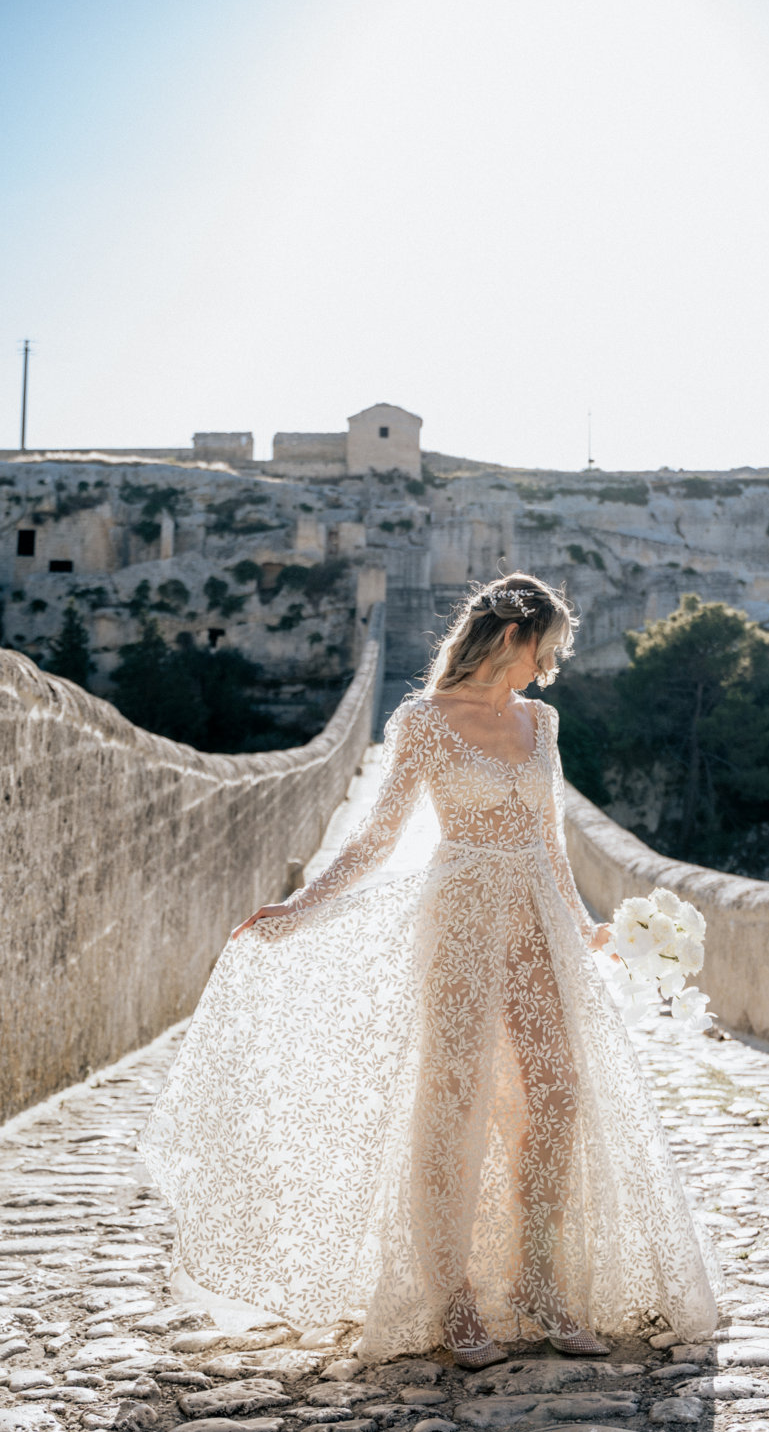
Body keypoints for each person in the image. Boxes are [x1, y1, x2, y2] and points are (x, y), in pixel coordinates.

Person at [137, 573, 722, 1369]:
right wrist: (301, 906)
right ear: (514, 638)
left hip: (537, 923)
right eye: (545, 651)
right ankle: (452, 1301)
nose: (549, 669)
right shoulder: (422, 721)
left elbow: (551, 840)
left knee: (556, 1092)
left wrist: (585, 927)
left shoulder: (541, 723)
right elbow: (378, 839)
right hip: (460, 920)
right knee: (453, 1105)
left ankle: (543, 1284)